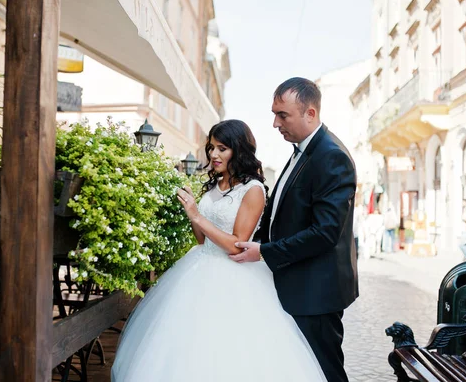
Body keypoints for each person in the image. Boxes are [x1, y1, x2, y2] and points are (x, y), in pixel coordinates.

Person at [111, 119, 326, 382]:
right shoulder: (215, 184)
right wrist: (192, 211)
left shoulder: (253, 190)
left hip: (235, 275)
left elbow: (238, 242)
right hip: (199, 266)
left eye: (222, 148)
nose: (213, 154)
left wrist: (197, 216)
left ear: (239, 150)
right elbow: (202, 241)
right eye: (211, 147)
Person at [232, 77, 358, 382]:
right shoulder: (300, 151)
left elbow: (325, 232)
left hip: (315, 291)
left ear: (310, 114)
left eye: (283, 115)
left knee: (324, 371)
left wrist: (264, 252)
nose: (275, 123)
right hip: (296, 284)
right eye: (275, 114)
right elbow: (283, 216)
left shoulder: (331, 157)